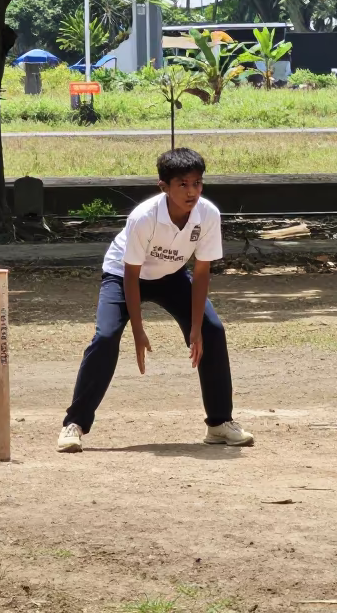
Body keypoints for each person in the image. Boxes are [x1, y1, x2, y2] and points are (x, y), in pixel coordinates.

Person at [56, 148, 253, 452]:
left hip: (172, 276)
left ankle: (218, 423)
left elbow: (201, 272)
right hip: (124, 275)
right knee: (106, 337)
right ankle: (74, 424)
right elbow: (131, 275)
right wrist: (137, 330)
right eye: (182, 184)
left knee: (213, 332)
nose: (192, 192)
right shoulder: (144, 217)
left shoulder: (208, 214)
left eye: (197, 183)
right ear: (164, 187)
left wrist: (196, 328)